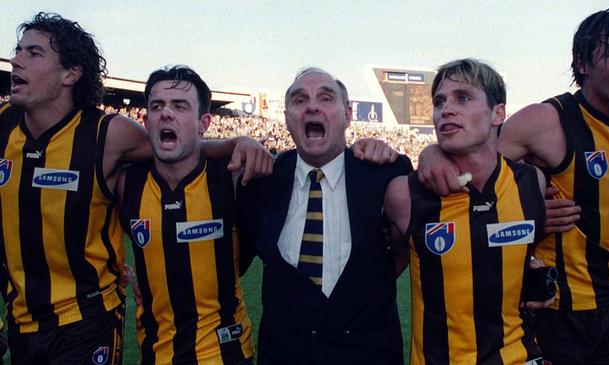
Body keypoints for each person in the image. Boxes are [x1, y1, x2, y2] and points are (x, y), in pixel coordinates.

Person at [0, 12, 270, 364]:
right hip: (21, 320)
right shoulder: (3, 126)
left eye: (33, 53)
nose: (16, 59)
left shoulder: (108, 134)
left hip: (88, 321)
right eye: (18, 50)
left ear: (71, 73)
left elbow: (177, 150)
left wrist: (237, 142)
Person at [418, 8, 609, 364]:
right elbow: (479, 159)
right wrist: (432, 153)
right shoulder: (546, 120)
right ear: (583, 64)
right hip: (560, 312)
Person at [237, 67, 412, 365]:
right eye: (300, 99)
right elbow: (234, 262)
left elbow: (401, 255)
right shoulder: (262, 181)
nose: (313, 106)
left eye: (326, 98)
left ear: (347, 115)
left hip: (368, 356)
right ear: (287, 117)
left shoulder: (386, 173)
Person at [385, 58, 549, 365]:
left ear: (498, 113)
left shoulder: (531, 183)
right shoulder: (405, 194)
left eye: (462, 98)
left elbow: (532, 256)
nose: (445, 109)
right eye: (439, 102)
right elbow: (383, 271)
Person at [118, 65, 254, 364]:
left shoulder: (231, 179)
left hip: (225, 353)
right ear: (146, 119)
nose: (166, 113)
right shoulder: (125, 184)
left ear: (203, 122)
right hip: (154, 353)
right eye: (157, 106)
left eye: (180, 106)